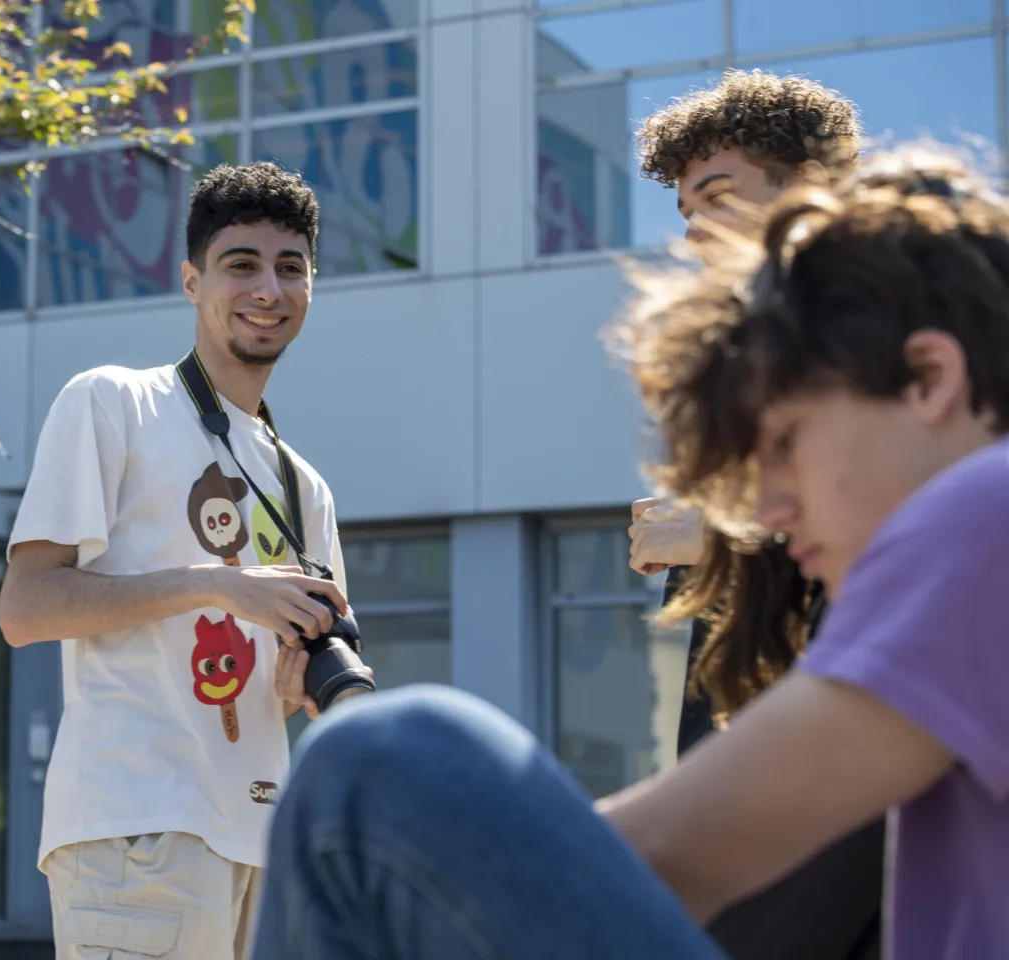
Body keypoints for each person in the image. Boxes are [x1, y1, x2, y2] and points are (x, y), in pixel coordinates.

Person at [251, 142, 1009, 960]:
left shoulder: (981, 512)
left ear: (929, 379)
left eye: (789, 441)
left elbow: (668, 853)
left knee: (378, 764)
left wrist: (378, 778)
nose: (773, 508)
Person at [0, 161, 354, 960]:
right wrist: (213, 585)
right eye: (242, 265)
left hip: (264, 848)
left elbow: (302, 683)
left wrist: (303, 681)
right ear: (192, 281)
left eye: (290, 268)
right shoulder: (112, 402)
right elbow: (24, 609)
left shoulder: (307, 487)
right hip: (138, 828)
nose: (269, 287)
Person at [628, 70, 882, 960]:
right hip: (751, 759)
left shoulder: (882, 333)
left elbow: (926, 530)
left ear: (808, 187)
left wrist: (725, 533)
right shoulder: (756, 352)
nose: (692, 227)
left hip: (837, 776)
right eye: (685, 206)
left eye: (719, 195)